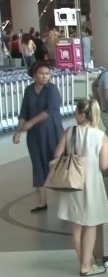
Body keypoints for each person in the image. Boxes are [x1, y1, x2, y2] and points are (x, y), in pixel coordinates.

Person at [54, 99, 108, 276]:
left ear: (80, 114)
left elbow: (57, 156)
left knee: (76, 225)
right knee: (90, 224)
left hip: (72, 182)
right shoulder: (101, 136)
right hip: (92, 183)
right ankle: (86, 266)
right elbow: (104, 165)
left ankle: (83, 262)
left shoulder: (69, 132)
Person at [13, 61, 64, 212]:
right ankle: (42, 203)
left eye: (47, 73)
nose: (45, 76)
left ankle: (64, 202)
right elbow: (24, 112)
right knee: (38, 166)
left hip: (51, 132)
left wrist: (30, 123)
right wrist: (18, 132)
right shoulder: (29, 90)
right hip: (35, 136)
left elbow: (50, 110)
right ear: (34, 75)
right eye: (41, 73)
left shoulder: (52, 90)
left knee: (55, 165)